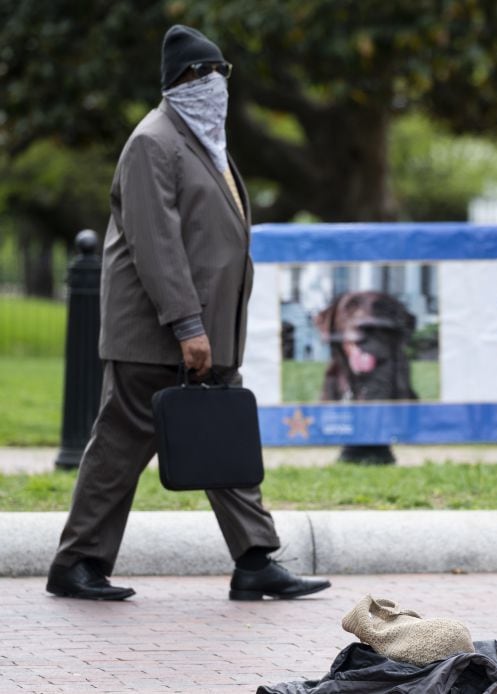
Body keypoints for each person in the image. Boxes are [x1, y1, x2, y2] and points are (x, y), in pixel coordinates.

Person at [46, 25, 331, 602]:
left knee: (223, 437)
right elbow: (157, 245)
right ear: (179, 82)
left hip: (200, 334)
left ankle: (255, 559)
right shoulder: (154, 141)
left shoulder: (205, 142)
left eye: (222, 73)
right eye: (205, 74)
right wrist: (188, 325)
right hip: (156, 336)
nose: (217, 84)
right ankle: (76, 564)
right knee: (120, 448)